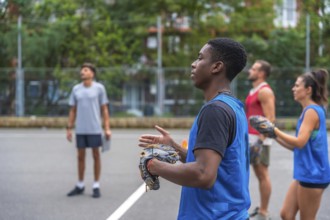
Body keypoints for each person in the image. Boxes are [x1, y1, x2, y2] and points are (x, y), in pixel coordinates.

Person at [139, 38, 250, 219]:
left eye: (200, 58)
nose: (193, 64)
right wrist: (173, 146)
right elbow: (214, 164)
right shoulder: (232, 106)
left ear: (216, 67)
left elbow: (203, 175)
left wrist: (153, 165)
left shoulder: (215, 110)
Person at [261, 69, 330, 220]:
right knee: (286, 214)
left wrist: (274, 129)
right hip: (305, 172)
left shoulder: (312, 111)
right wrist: (273, 136)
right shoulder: (307, 110)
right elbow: (298, 147)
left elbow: (299, 142)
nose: (293, 88)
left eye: (297, 85)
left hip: (314, 175)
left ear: (308, 90)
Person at [66, 63, 111, 198]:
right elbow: (73, 110)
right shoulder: (76, 89)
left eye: (85, 70)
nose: (82, 72)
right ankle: (80, 185)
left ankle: (96, 185)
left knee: (96, 155)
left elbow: (104, 109)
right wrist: (69, 128)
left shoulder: (99, 88)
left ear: (92, 73)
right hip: (80, 129)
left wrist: (107, 128)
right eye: (82, 70)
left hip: (95, 129)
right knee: (80, 157)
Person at [245, 60, 275, 219]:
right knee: (257, 174)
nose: (250, 70)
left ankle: (264, 211)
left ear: (261, 73)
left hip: (260, 139)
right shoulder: (253, 90)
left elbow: (271, 118)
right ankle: (261, 208)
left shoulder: (265, 91)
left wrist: (261, 141)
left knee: (263, 174)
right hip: (251, 138)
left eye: (254, 69)